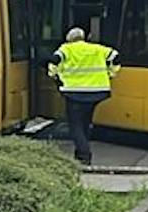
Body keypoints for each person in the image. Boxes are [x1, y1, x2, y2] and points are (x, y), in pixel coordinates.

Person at [48, 26, 119, 163]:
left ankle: (84, 154)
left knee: (75, 125)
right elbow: (115, 56)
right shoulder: (97, 48)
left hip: (74, 92)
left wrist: (54, 76)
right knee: (85, 123)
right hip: (97, 92)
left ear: (69, 39)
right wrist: (111, 73)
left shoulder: (66, 49)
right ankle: (80, 154)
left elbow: (54, 61)